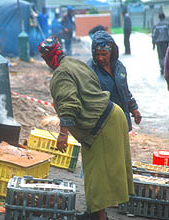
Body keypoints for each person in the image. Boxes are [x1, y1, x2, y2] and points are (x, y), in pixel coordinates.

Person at [38, 36, 134, 220]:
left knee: (97, 172)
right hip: (114, 115)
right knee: (100, 170)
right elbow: (92, 86)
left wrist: (63, 134)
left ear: (48, 58)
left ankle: (99, 216)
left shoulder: (61, 74)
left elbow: (69, 103)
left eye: (44, 58)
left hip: (102, 125)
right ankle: (97, 213)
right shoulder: (75, 63)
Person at [87, 31, 141, 132]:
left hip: (121, 120)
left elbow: (124, 90)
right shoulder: (90, 69)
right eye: (97, 54)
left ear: (112, 52)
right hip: (102, 123)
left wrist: (133, 108)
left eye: (104, 54)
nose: (100, 58)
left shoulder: (119, 67)